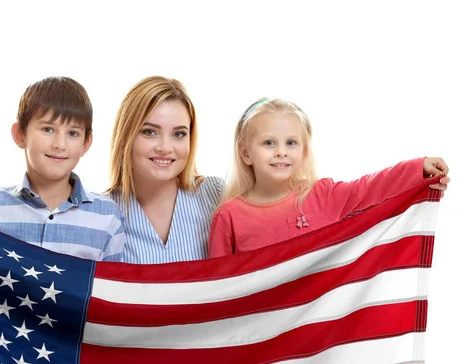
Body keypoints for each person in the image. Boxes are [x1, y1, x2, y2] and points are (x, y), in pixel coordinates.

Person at [208, 98, 450, 257]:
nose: (281, 151)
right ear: (246, 152)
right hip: (260, 331)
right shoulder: (229, 216)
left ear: (303, 151)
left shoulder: (322, 195)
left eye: (291, 142)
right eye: (269, 142)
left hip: (318, 329)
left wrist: (417, 170)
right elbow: (218, 286)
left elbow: (371, 188)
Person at [0, 76, 125, 261]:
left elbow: (112, 287)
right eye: (48, 129)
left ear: (86, 143)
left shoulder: (107, 217)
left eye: (73, 133)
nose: (60, 144)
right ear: (19, 134)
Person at [107, 76, 224, 264]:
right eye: (150, 132)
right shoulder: (102, 213)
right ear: (126, 135)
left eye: (178, 134)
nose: (165, 147)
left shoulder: (217, 194)